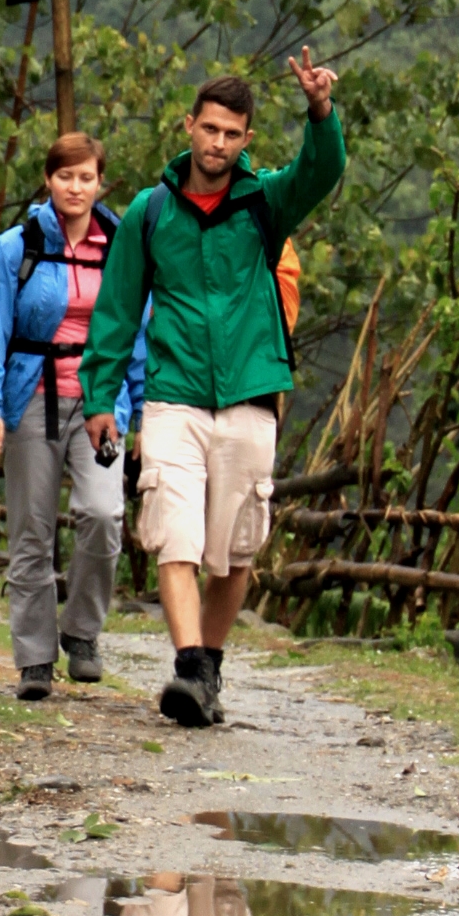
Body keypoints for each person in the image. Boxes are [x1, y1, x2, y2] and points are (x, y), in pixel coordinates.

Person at [75, 55, 344, 731]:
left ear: (247, 138)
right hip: (174, 392)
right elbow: (116, 307)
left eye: (232, 133)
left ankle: (210, 666)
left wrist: (319, 113)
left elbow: (322, 172)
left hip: (252, 392)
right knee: (174, 535)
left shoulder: (264, 202)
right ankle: (189, 666)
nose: (218, 143)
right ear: (189, 125)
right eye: (210, 128)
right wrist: (102, 397)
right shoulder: (150, 210)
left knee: (238, 548)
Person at [0, 129, 145, 704]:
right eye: (65, 176)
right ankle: (35, 659)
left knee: (103, 514)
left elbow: (138, 333)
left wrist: (138, 411)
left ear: (100, 182)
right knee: (32, 531)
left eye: (86, 177)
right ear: (49, 180)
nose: (75, 187)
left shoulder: (121, 246)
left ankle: (82, 634)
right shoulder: (15, 248)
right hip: (29, 397)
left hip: (101, 403)